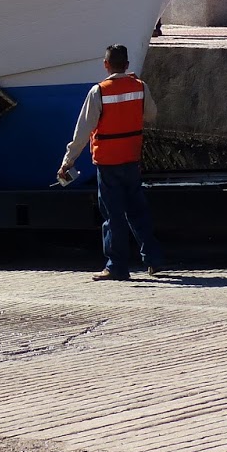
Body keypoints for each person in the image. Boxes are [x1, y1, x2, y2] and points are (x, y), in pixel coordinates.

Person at [58, 44, 163, 281]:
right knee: (138, 211)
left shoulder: (99, 92)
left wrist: (68, 161)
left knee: (113, 215)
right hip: (132, 158)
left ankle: (116, 266)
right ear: (127, 65)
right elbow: (152, 115)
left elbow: (82, 132)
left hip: (108, 162)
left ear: (106, 65)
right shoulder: (140, 87)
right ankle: (153, 259)